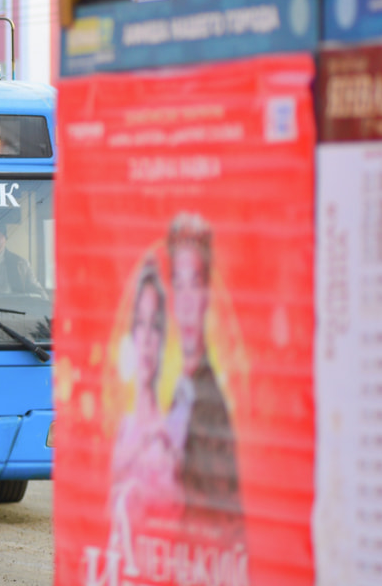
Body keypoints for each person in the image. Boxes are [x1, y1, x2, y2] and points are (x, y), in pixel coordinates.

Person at [163, 212, 244, 547]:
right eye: (177, 285)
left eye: (194, 284)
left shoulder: (212, 401)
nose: (185, 301)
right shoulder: (173, 389)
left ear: (208, 294)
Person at [109, 260, 182, 528]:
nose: (148, 339)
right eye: (140, 323)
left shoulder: (176, 428)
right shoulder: (119, 429)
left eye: (156, 325)